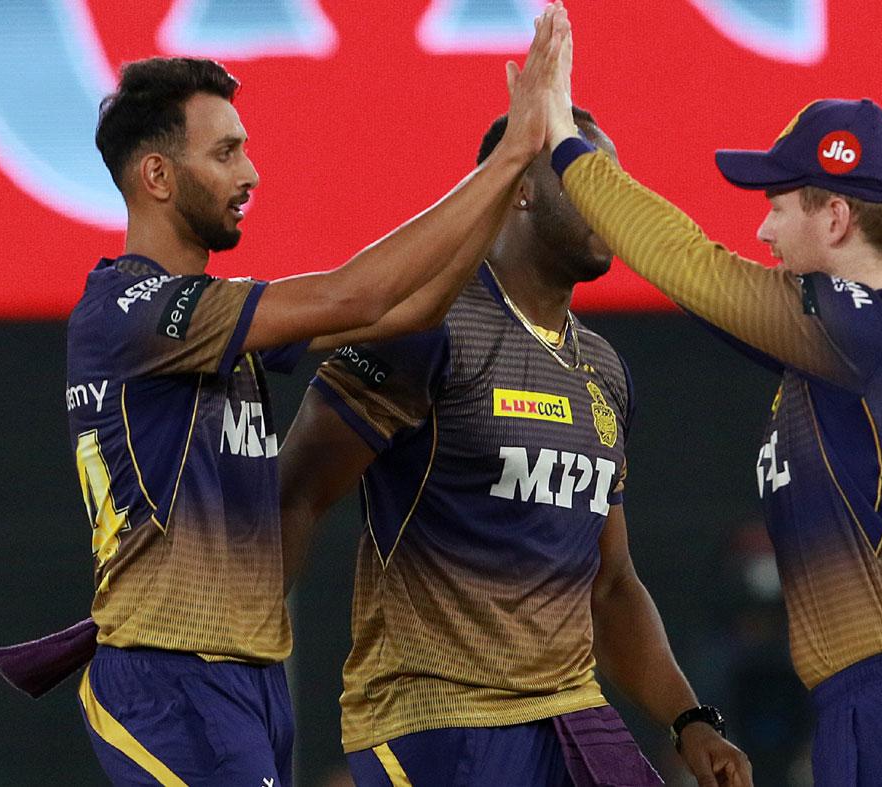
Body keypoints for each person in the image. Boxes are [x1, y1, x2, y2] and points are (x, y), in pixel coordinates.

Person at [0, 6, 572, 785]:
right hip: (170, 675)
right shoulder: (129, 310)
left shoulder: (209, 311)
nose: (251, 173)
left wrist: (511, 184)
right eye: (226, 152)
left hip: (248, 675)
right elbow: (351, 297)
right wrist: (507, 160)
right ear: (157, 176)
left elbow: (410, 308)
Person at [540, 42, 882, 785]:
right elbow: (700, 286)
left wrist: (565, 143)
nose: (762, 231)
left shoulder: (857, 328)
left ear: (835, 216)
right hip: (880, 698)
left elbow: (688, 262)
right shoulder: (853, 345)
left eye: (777, 206)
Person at [278, 108, 753, 787]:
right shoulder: (427, 326)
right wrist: (237, 668)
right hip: (435, 717)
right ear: (522, 187)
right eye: (587, 176)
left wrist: (690, 720)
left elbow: (611, 582)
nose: (611, 200)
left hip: (570, 712)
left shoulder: (605, 370)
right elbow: (292, 493)